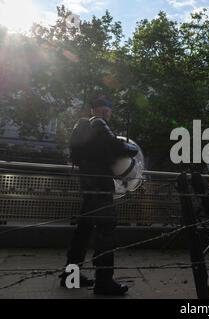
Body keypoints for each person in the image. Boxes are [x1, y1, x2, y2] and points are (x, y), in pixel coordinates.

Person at [61, 97, 137, 296]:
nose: (106, 113)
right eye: (105, 110)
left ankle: (71, 276)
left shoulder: (82, 127)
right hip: (100, 185)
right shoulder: (100, 124)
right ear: (99, 110)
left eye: (107, 110)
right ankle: (104, 281)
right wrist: (133, 149)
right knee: (106, 230)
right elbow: (118, 147)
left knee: (83, 229)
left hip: (87, 182)